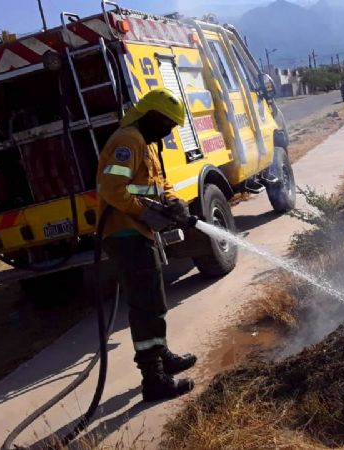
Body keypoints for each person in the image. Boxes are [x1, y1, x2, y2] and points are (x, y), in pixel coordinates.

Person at [96, 88, 196, 402]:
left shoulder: (146, 143)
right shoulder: (128, 141)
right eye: (167, 123)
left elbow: (156, 183)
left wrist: (174, 202)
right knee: (147, 306)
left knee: (154, 302)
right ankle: (153, 379)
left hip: (137, 232)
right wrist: (147, 212)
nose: (168, 131)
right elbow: (112, 190)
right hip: (125, 234)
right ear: (151, 115)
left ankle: (162, 355)